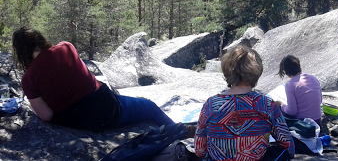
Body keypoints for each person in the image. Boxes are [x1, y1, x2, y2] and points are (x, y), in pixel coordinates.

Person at [12, 27, 183, 133]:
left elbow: (47, 116)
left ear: (21, 54)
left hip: (76, 122)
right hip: (106, 108)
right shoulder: (66, 47)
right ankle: (184, 133)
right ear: (41, 40)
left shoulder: (28, 79)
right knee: (150, 107)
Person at [194, 45, 295, 161]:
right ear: (256, 71)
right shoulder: (266, 104)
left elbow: (199, 150)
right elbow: (289, 147)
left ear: (227, 70)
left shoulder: (211, 105)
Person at [275, 55, 322, 126]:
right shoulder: (313, 77)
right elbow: (320, 100)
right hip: (318, 119)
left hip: (304, 124)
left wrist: (281, 105)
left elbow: (292, 112)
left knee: (277, 110)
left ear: (286, 71)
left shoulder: (290, 85)